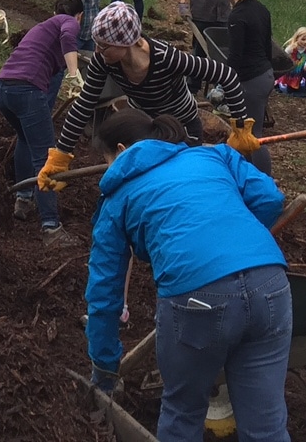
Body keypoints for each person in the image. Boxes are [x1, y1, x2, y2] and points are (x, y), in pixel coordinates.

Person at [85, 107, 291, 442]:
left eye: (107, 159)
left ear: (121, 152)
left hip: (197, 298)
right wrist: (237, 241)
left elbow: (104, 292)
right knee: (266, 425)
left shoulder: (117, 199)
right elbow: (270, 197)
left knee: (183, 413)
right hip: (271, 283)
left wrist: (105, 366)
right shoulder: (215, 157)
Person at [39, 2, 261, 188]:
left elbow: (227, 75)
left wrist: (240, 127)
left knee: (181, 180)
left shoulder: (166, 58)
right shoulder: (103, 61)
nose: (97, 51)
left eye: (104, 46)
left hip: (181, 127)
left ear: (125, 43)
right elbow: (84, 104)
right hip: (146, 126)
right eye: (96, 44)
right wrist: (61, 154)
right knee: (145, 182)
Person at [0, 0, 85, 244]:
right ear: (80, 15)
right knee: (46, 156)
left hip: (2, 89)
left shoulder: (40, 28)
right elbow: (69, 37)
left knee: (25, 139)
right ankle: (51, 227)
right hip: (27, 90)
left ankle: (23, 198)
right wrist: (74, 73)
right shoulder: (68, 21)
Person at [224, 0, 276, 173]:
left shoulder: (237, 16)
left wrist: (223, 82)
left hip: (251, 81)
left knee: (252, 134)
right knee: (243, 130)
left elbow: (235, 56)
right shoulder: (262, 10)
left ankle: (263, 179)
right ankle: (245, 172)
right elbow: (267, 47)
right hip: (265, 74)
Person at [275, 28, 306, 96]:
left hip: (302, 69)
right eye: (303, 39)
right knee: (291, 91)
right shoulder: (291, 48)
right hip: (292, 72)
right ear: (297, 38)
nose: (305, 42)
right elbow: (284, 57)